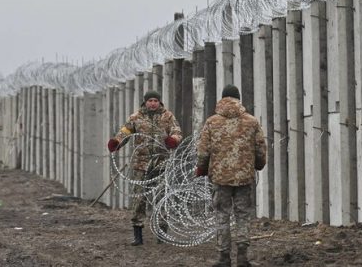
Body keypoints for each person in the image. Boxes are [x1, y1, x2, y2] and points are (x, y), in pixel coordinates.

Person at [195, 85, 266, 267]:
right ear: (238, 99)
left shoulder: (212, 122)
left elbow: (203, 151)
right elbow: (260, 149)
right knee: (243, 215)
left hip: (220, 178)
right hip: (244, 177)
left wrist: (202, 169)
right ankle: (242, 256)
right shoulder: (251, 121)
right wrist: (257, 165)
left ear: (222, 98)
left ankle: (223, 257)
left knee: (222, 215)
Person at [107, 90, 182, 246]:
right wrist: (116, 142)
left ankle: (162, 233)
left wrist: (172, 140)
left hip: (161, 163)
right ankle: (138, 233)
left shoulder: (167, 117)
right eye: (150, 101)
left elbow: (176, 131)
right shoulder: (136, 118)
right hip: (141, 164)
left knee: (162, 198)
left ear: (159, 102)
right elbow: (125, 132)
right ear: (145, 102)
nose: (153, 103)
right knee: (139, 199)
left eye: (155, 100)